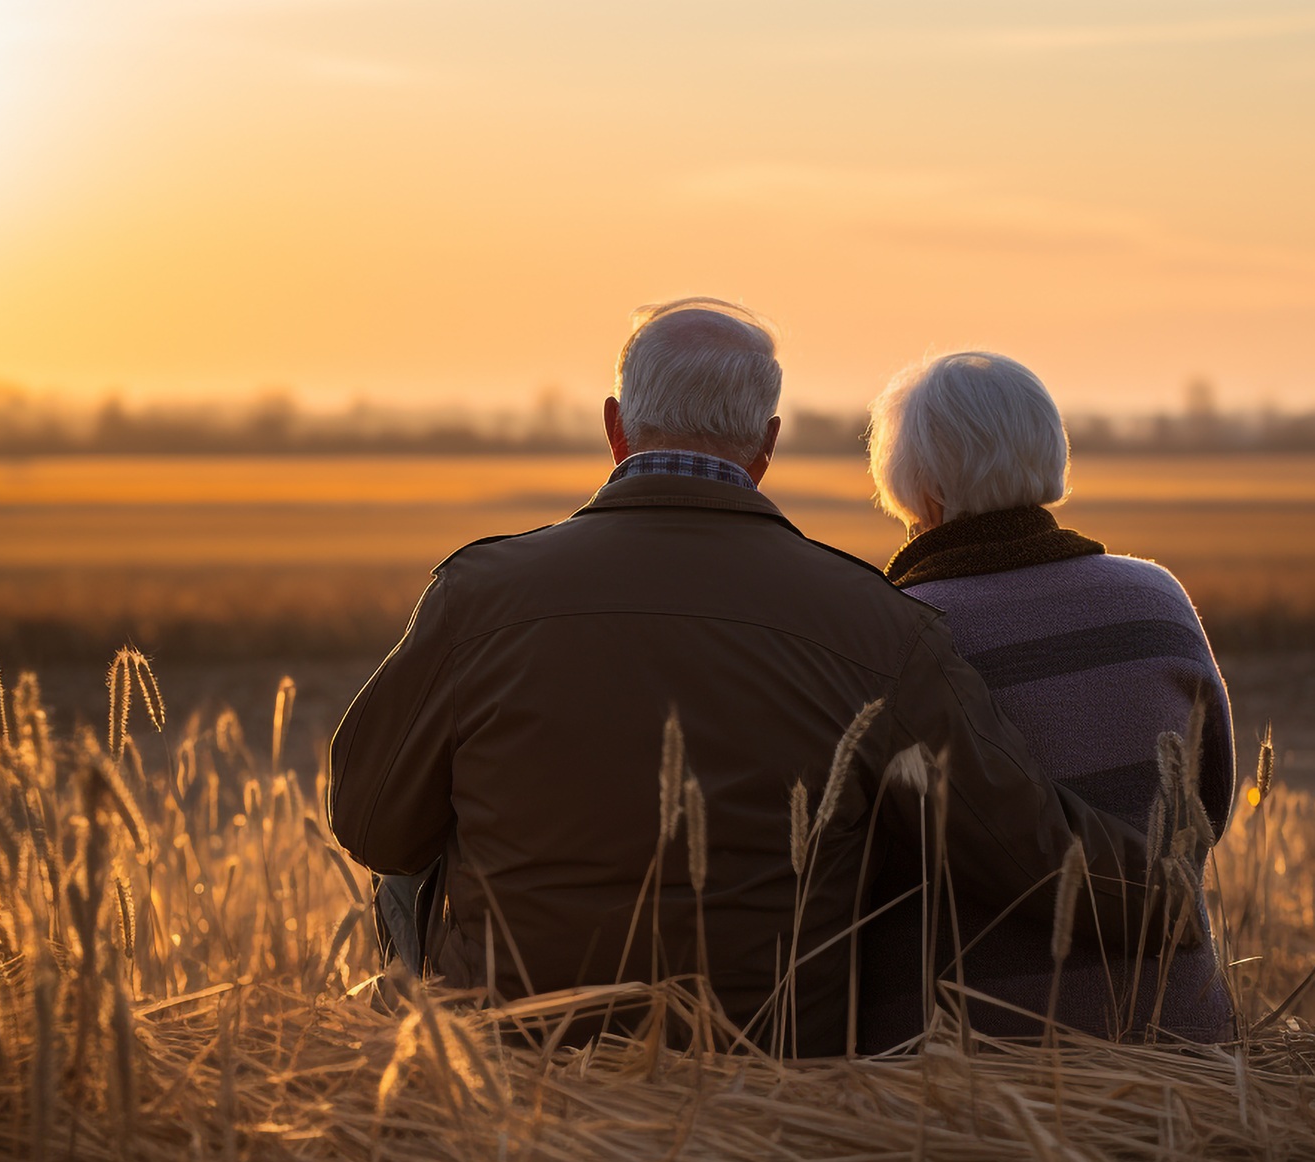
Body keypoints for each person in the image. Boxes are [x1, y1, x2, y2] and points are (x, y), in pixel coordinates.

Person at [329, 300, 1172, 1056]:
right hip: (767, 1074)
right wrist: (1163, 894)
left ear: (617, 428)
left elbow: (372, 824)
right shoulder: (877, 623)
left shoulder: (478, 594)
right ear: (766, 446)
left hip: (513, 1057)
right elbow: (1027, 852)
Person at [861, 351, 1235, 1044]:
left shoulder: (892, 633)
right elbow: (1208, 807)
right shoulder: (1157, 601)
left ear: (921, 491)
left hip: (964, 1060)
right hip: (1178, 1037)